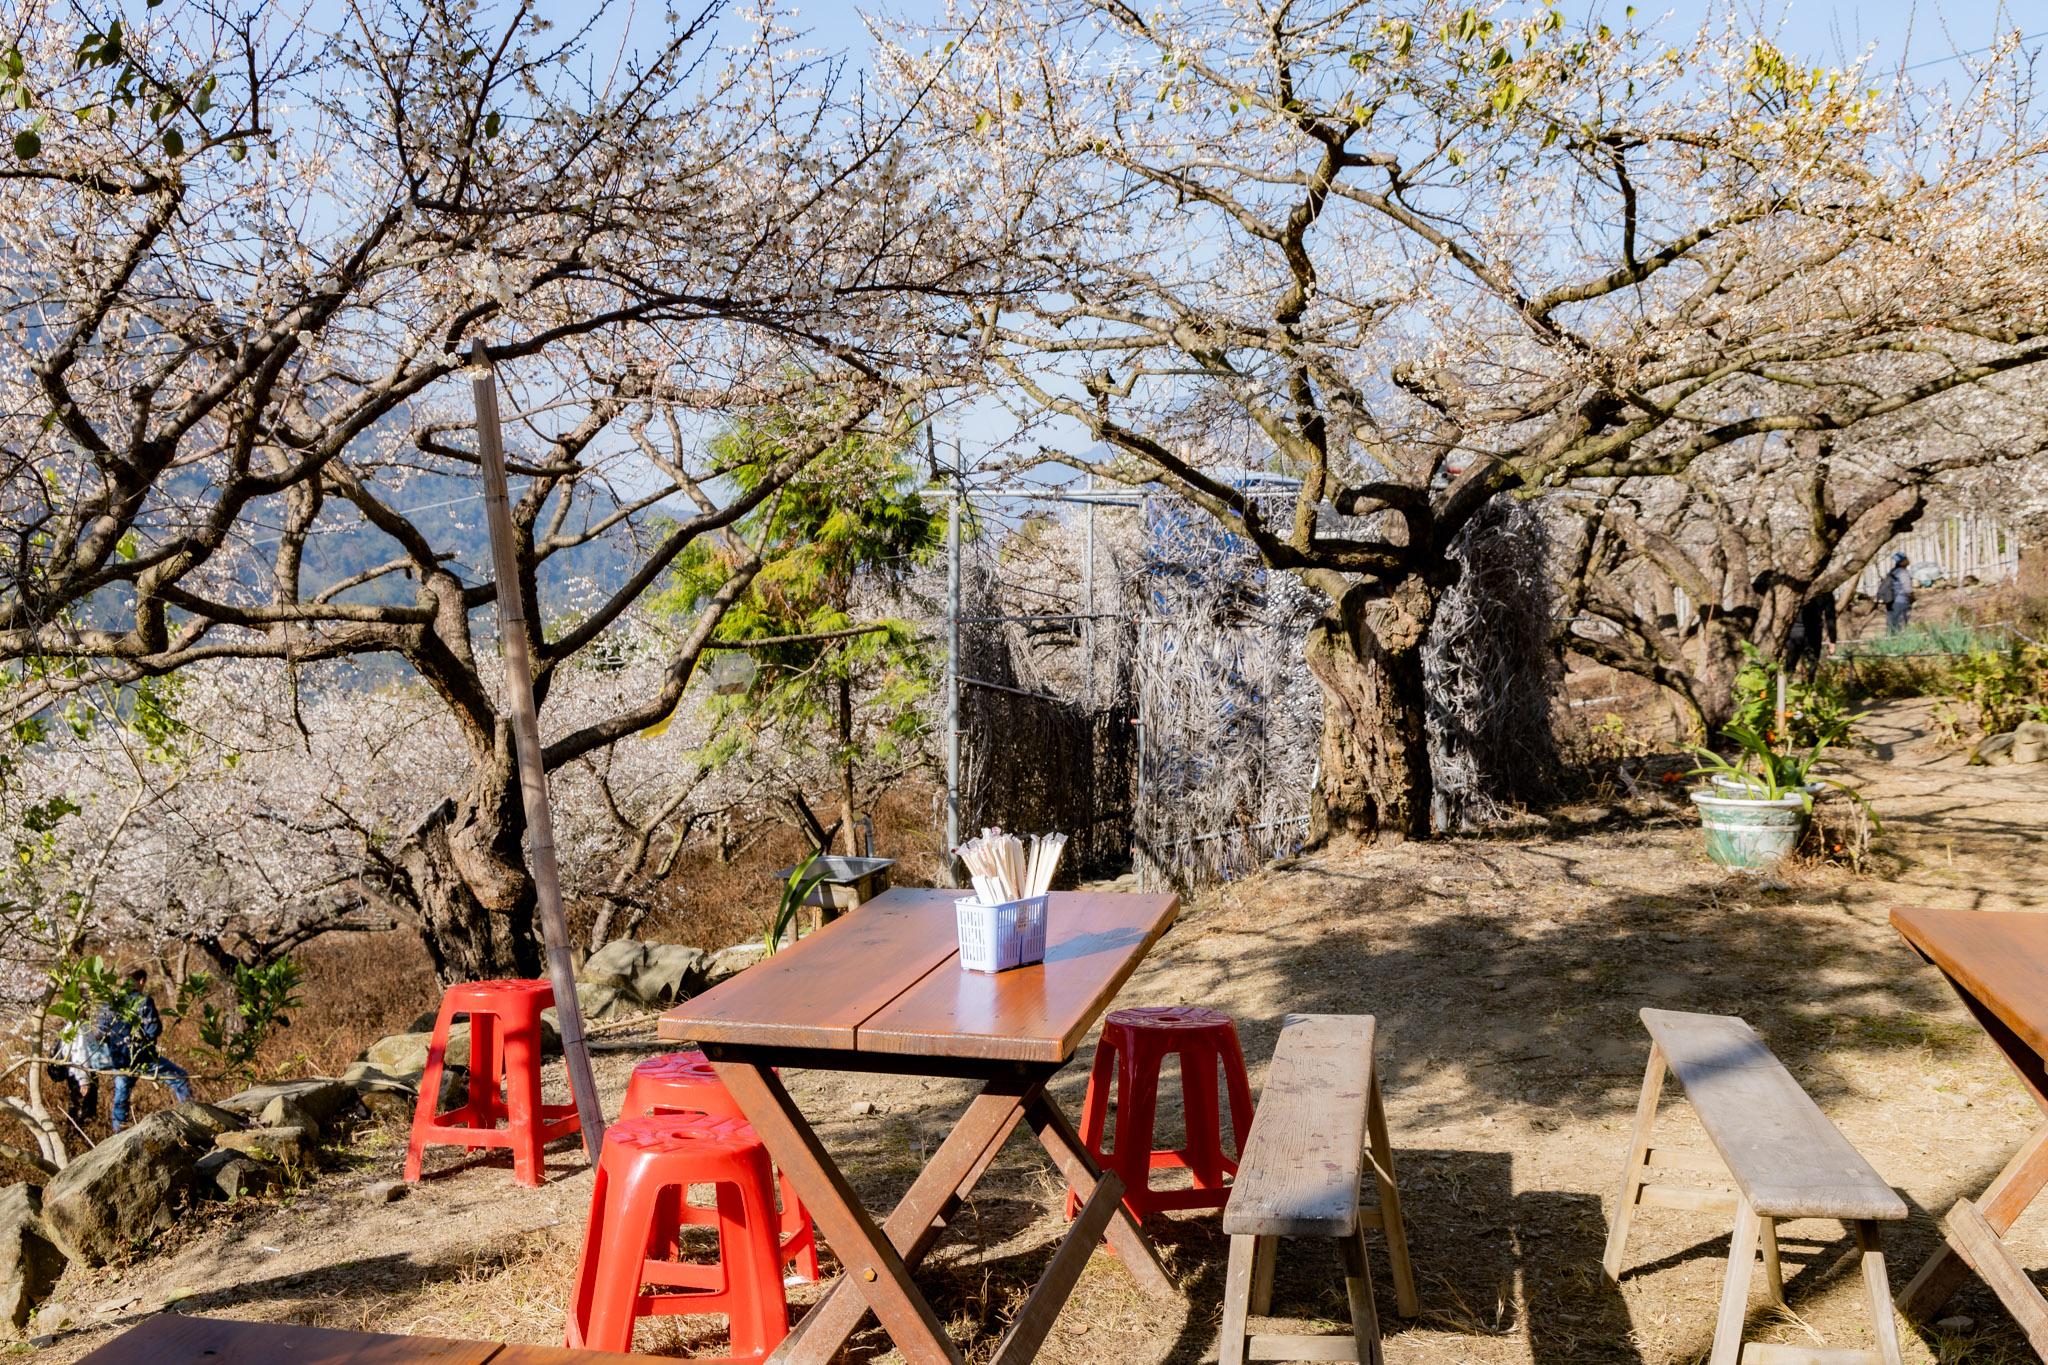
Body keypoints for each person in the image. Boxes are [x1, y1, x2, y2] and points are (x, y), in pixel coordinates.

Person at [100, 965, 191, 1130]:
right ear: (141, 981)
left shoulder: (110, 1003)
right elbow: (153, 1030)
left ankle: (118, 1132)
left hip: (119, 1058)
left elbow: (100, 1032)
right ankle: (192, 1117)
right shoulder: (143, 1002)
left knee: (121, 1097)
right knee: (180, 1078)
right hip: (143, 1057)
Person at [1785, 590, 1838, 680]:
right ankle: (1808, 688)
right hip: (1813, 630)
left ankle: (1784, 690)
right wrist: (1832, 640)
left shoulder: (1798, 587)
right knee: (1811, 667)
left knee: (1789, 667)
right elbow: (1830, 617)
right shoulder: (1826, 591)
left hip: (1796, 629)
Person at [1876, 552, 1913, 634]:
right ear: (1902, 561)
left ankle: (1891, 642)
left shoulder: (1893, 571)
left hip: (1890, 601)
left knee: (1891, 625)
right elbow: (1908, 590)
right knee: (1901, 626)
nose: (1908, 560)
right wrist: (1912, 600)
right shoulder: (1903, 573)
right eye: (1906, 558)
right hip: (1901, 602)